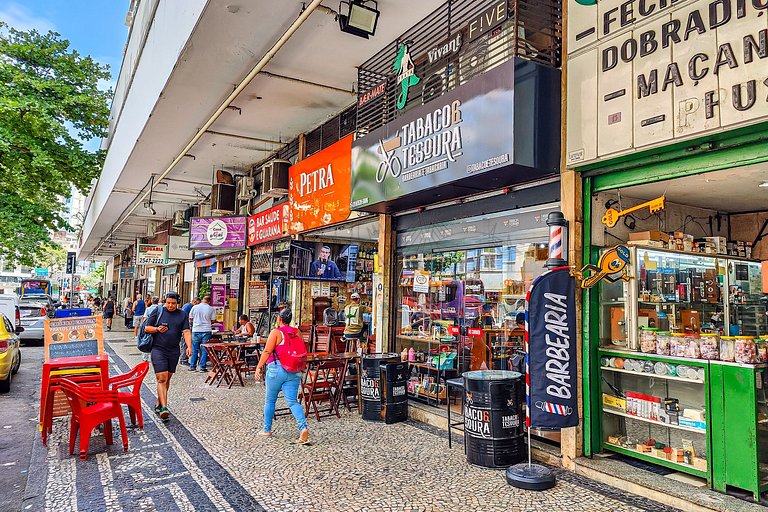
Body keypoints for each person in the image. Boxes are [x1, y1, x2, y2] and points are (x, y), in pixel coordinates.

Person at [254, 308, 309, 444]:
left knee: (270, 400)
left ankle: (266, 429)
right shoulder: (297, 332)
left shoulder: (276, 332)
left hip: (276, 369)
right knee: (292, 401)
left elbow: (267, 351)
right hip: (294, 370)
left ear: (279, 319)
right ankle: (303, 428)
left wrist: (259, 367)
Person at [143, 292, 191, 421]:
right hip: (158, 349)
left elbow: (186, 331)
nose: (170, 305)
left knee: (167, 378)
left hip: (174, 351)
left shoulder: (182, 315)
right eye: (168, 303)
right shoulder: (157, 311)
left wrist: (189, 346)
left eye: (173, 303)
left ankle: (159, 403)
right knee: (162, 378)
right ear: (165, 302)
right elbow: (147, 328)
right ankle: (164, 407)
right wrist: (157, 329)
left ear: (178, 303)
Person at [188, 296, 216, 372]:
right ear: (209, 301)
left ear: (203, 300)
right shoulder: (211, 309)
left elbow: (190, 318)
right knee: (204, 349)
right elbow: (213, 321)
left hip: (196, 329)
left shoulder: (195, 307)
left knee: (194, 349)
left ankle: (192, 366)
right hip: (206, 330)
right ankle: (202, 367)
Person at [180, 297, 199, 366]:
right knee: (185, 343)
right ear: (195, 302)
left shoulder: (186, 305)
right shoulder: (189, 306)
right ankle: (183, 359)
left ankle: (183, 358)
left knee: (184, 343)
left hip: (184, 326)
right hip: (185, 327)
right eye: (197, 303)